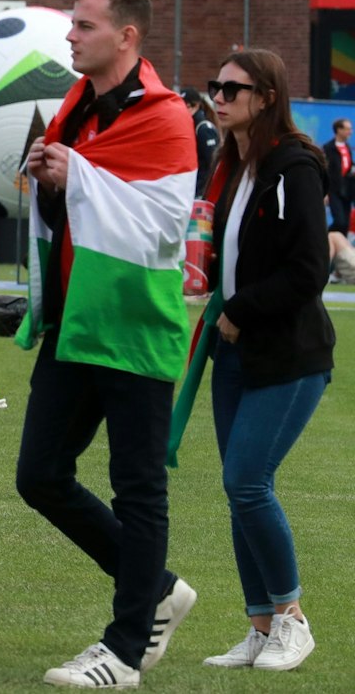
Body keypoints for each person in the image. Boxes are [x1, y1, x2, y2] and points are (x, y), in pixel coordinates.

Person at [14, 0, 200, 688]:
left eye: (85, 26)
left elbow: (161, 229)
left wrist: (77, 173)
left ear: (126, 36)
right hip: (74, 321)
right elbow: (79, 198)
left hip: (133, 328)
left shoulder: (164, 116)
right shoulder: (76, 105)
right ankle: (154, 586)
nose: (70, 35)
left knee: (138, 488)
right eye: (73, 23)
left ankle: (123, 651)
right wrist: (52, 170)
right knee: (39, 475)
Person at [175, 49, 334, 673]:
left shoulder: (293, 167)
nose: (219, 96)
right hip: (235, 352)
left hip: (288, 355)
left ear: (266, 96)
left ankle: (292, 620)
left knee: (247, 481)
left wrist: (237, 311)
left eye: (233, 89)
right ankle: (261, 626)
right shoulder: (235, 164)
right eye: (216, 86)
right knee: (238, 490)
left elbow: (307, 271)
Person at [182, 87, 220, 199]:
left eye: (186, 106)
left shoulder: (203, 128)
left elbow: (212, 162)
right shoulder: (190, 126)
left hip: (201, 191)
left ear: (196, 106)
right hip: (193, 189)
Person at [323, 117, 353, 237]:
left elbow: (348, 165)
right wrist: (325, 191)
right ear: (339, 130)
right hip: (334, 189)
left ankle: (340, 249)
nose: (350, 132)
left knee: (346, 223)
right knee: (339, 221)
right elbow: (326, 170)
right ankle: (325, 238)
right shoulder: (328, 148)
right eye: (347, 129)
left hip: (347, 189)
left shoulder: (348, 147)